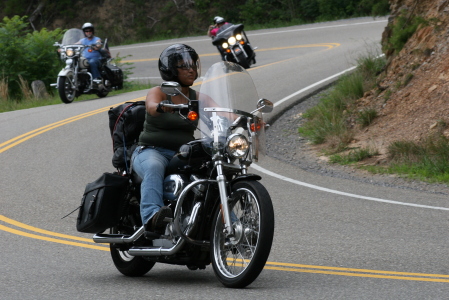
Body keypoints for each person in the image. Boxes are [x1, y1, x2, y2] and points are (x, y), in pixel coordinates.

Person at [131, 44, 201, 234]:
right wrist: (161, 106)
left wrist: (246, 119)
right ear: (170, 70)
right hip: (151, 151)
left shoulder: (196, 97)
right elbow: (151, 106)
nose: (191, 69)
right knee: (154, 167)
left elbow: (220, 111)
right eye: (184, 65)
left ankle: (231, 224)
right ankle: (152, 217)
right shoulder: (159, 91)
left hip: (183, 154)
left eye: (193, 65)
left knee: (210, 172)